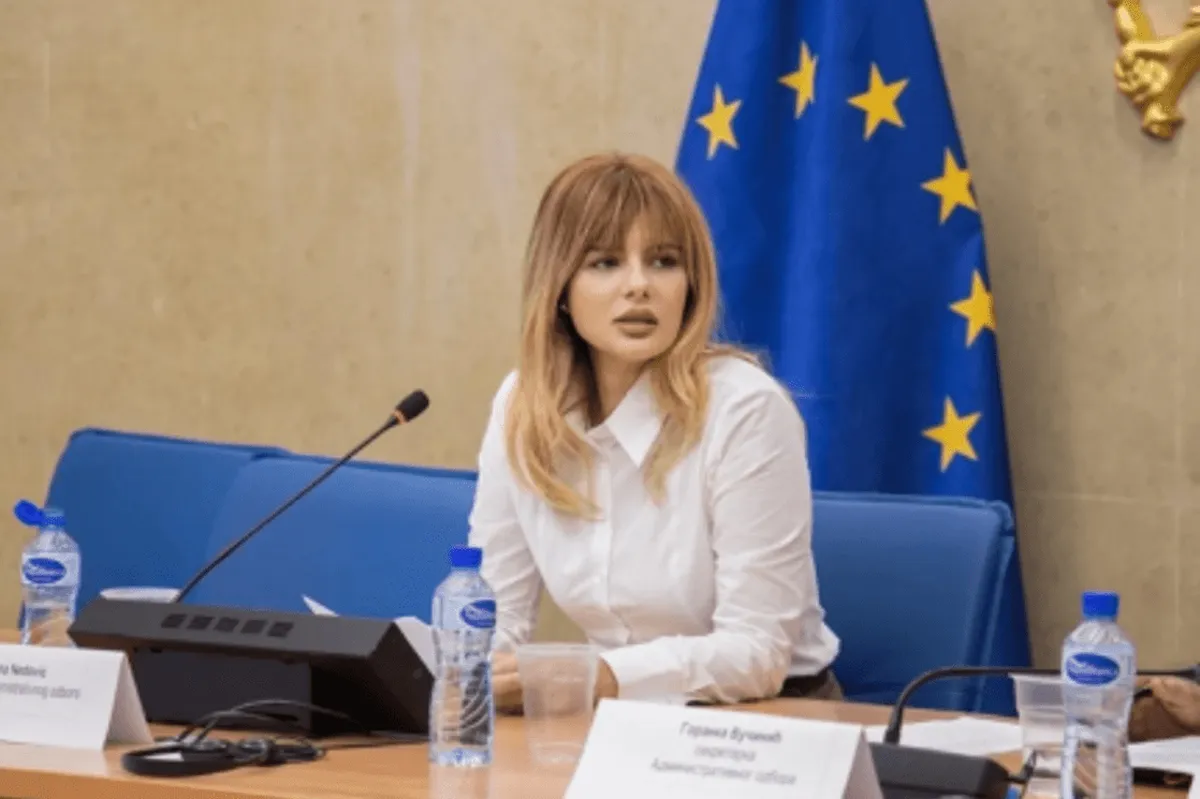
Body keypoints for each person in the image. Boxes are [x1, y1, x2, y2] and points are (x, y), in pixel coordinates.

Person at [466, 151, 840, 710]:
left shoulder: (745, 410)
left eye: (664, 262)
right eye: (605, 262)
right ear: (560, 287)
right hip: (618, 713)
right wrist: (471, 678)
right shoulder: (524, 406)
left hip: (770, 713)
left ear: (691, 285)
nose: (639, 286)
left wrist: (592, 675)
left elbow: (757, 652)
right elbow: (492, 612)